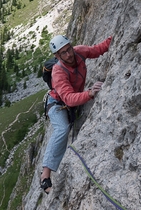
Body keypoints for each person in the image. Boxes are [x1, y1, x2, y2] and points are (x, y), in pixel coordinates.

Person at [40, 34, 112, 194]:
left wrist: (114, 39)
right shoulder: (58, 72)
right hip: (56, 103)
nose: (69, 54)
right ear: (57, 56)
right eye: (63, 53)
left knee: (66, 129)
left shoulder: (79, 52)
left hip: (70, 101)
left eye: (69, 49)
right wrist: (89, 94)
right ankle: (45, 176)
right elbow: (69, 99)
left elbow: (98, 49)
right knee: (62, 129)